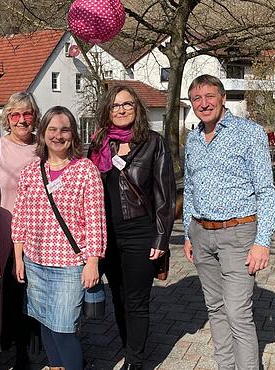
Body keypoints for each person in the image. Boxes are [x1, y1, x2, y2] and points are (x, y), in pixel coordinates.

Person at [182, 74, 275, 370]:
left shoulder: (248, 132)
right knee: (216, 310)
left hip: (238, 233)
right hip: (201, 234)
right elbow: (190, 187)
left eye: (209, 96)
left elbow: (266, 190)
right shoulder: (193, 138)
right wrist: (188, 232)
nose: (203, 103)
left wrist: (263, 242)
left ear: (223, 98)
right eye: (196, 99)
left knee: (237, 312)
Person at [11, 106, 106, 370]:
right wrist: (18, 258)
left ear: (73, 134)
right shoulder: (31, 171)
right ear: (42, 134)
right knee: (45, 323)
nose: (58, 135)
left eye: (64, 129)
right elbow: (20, 216)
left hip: (69, 265)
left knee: (64, 329)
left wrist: (93, 262)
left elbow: (96, 220)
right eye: (52, 129)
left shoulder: (85, 170)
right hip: (34, 261)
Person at [88, 85, 175, 370]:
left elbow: (165, 195)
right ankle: (129, 348)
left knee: (136, 300)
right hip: (107, 234)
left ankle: (135, 363)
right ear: (107, 110)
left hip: (140, 232)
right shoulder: (99, 143)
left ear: (137, 108)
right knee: (118, 297)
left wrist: (161, 238)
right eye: (115, 106)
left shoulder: (153, 142)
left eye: (127, 104)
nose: (121, 110)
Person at [0, 92, 41, 368]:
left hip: (39, 234)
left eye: (27, 114)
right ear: (7, 118)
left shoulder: (45, 147)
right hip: (3, 233)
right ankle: (10, 346)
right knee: (10, 293)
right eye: (15, 115)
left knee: (35, 293)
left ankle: (31, 346)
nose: (22, 120)